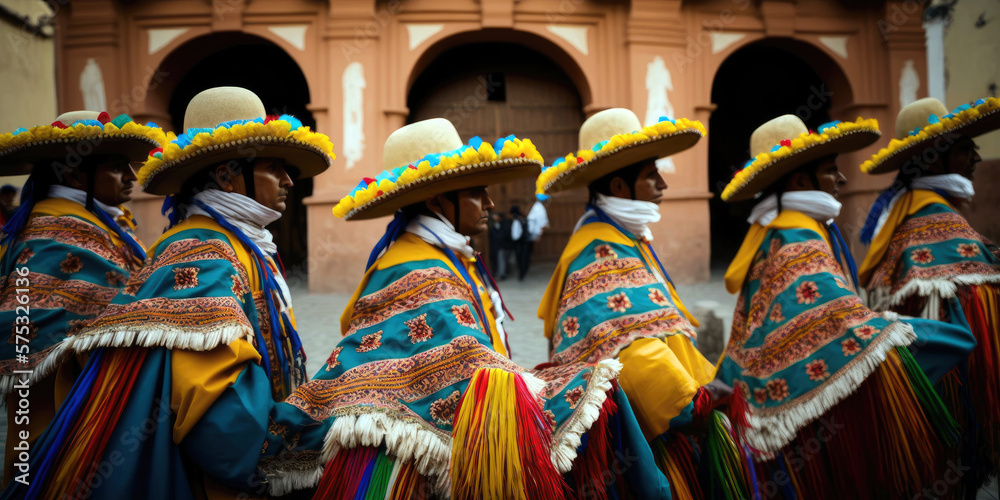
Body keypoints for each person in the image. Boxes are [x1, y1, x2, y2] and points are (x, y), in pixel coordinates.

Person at [302, 118, 671, 498]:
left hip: (459, 419)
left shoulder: (443, 255)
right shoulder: (416, 267)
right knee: (599, 393)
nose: (491, 203)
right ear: (437, 202)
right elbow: (465, 363)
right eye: (478, 192)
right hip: (416, 458)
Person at [1, 87, 337, 498]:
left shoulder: (230, 243)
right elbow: (218, 410)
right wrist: (296, 444)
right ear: (227, 176)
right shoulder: (204, 251)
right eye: (274, 167)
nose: (288, 180)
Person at [717, 114, 976, 498]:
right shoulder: (797, 242)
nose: (841, 180)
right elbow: (841, 327)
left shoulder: (788, 232)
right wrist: (935, 337)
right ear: (801, 181)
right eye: (830, 170)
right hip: (791, 422)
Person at [536, 108, 750, 499]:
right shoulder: (600, 251)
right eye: (652, 175)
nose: (663, 184)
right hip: (648, 440)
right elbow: (631, 349)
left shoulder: (623, 239)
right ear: (620, 186)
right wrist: (692, 402)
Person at [0, 111, 166, 485]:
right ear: (74, 174)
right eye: (115, 166)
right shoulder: (55, 233)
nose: (131, 176)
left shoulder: (90, 222)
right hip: (60, 401)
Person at [858, 96, 1000, 487]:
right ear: (934, 159)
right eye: (963, 149)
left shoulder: (907, 212)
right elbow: (974, 313)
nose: (975, 158)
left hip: (922, 389)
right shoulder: (933, 217)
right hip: (950, 387)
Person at [509, 204, 532, 279]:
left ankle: (521, 274)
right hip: (525, 242)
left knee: (520, 259)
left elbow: (515, 235)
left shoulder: (517, 221)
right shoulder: (524, 219)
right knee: (524, 258)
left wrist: (514, 240)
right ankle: (523, 272)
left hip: (519, 243)